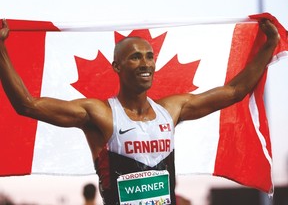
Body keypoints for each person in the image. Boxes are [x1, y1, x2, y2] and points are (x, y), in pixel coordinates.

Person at [0, 18, 279, 204]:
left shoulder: (171, 109)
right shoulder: (100, 114)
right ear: (117, 67)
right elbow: (27, 105)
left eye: (149, 56)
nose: (145, 63)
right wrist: (1, 50)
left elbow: (234, 92)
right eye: (135, 57)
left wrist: (268, 47)